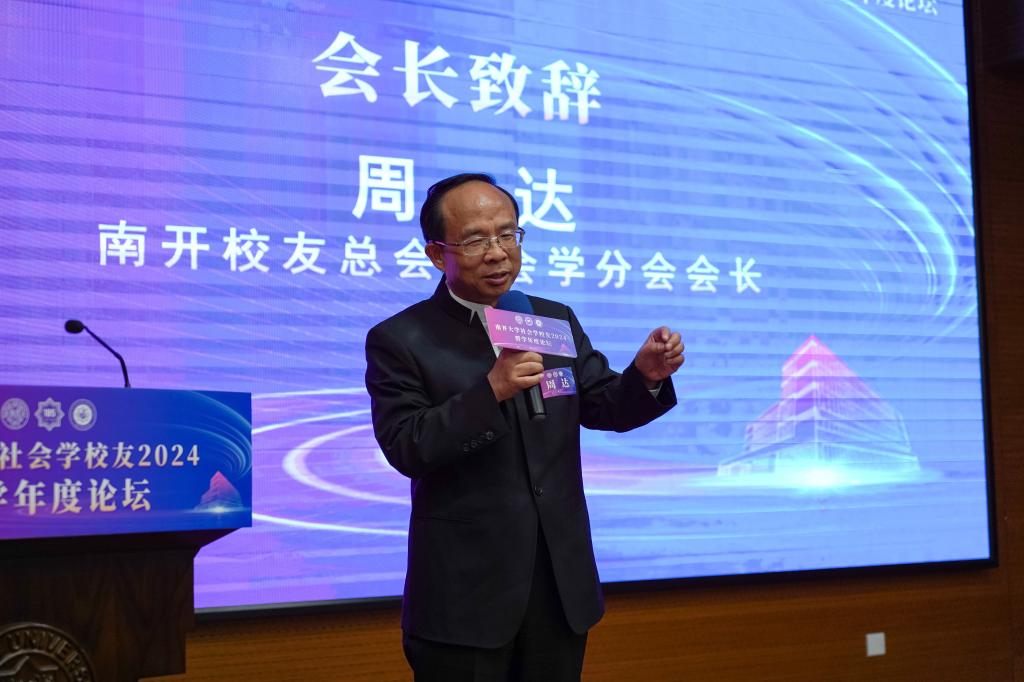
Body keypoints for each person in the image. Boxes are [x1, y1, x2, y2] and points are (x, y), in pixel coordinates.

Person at [364, 173, 684, 682]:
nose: (497, 253)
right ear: (437, 254)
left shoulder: (550, 320)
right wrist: (490, 391)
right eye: (476, 240)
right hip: (464, 597)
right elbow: (407, 445)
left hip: (558, 586)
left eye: (507, 234)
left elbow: (602, 405)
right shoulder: (401, 339)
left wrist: (644, 377)